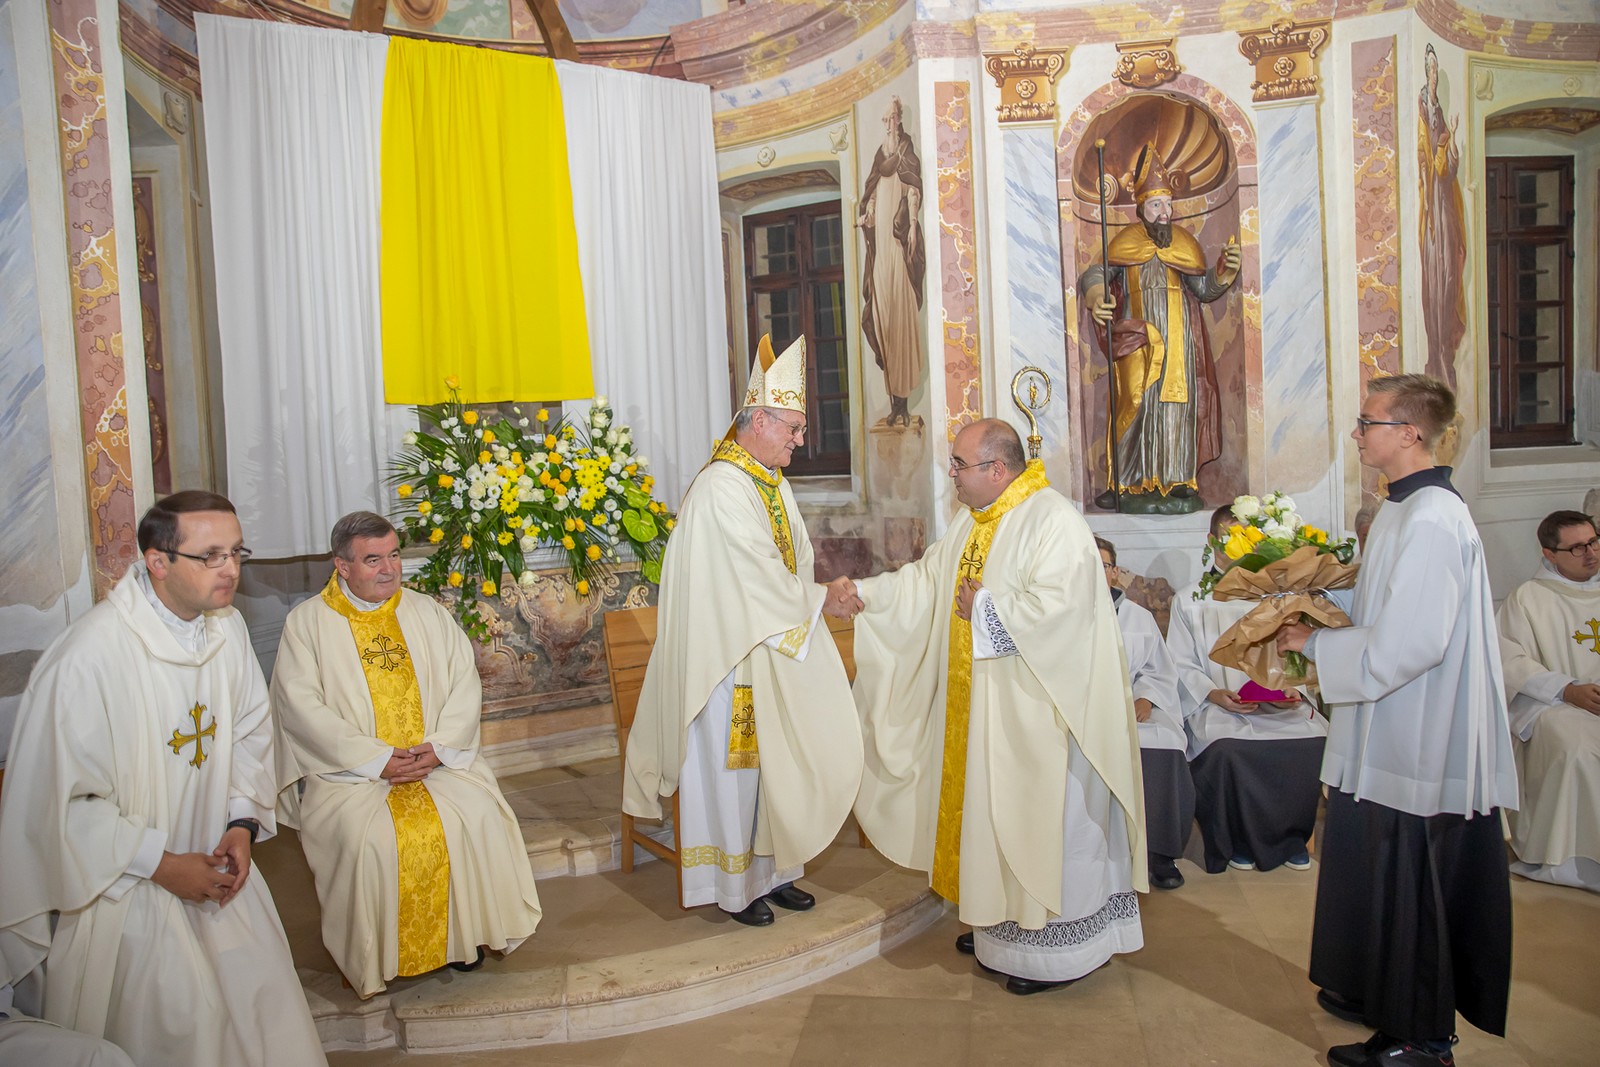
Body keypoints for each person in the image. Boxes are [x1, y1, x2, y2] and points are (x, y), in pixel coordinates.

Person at [0, 491, 327, 1067]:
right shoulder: (90, 657)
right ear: (158, 561)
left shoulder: (223, 633)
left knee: (265, 1010)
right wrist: (163, 864)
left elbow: (253, 733)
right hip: (129, 890)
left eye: (236, 552)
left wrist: (241, 822)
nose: (230, 569)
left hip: (221, 871)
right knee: (181, 1028)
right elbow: (62, 804)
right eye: (211, 556)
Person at [843, 419, 1145, 995]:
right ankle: (1001, 931)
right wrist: (867, 593)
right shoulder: (971, 523)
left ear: (997, 470)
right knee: (989, 818)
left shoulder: (1054, 521)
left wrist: (988, 608)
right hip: (983, 716)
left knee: (1043, 827)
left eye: (958, 464)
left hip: (1041, 721)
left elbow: (1065, 615)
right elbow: (924, 585)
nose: (950, 474)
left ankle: (1054, 955)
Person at [1279, 374, 1517, 1067]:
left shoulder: (1435, 518)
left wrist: (1317, 644)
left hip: (1419, 732)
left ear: (1410, 432)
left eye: (1368, 422)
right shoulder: (1399, 510)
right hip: (1387, 723)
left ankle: (1421, 1038)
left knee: (1411, 881)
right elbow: (1387, 616)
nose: (1358, 434)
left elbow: (1413, 642)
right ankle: (1378, 993)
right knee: (1378, 871)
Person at [622, 336, 864, 926]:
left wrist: (812, 593)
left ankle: (776, 874)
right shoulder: (721, 489)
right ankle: (736, 889)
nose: (799, 441)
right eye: (793, 429)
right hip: (728, 662)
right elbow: (750, 575)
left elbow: (794, 558)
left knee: (771, 768)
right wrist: (815, 600)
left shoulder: (769, 482)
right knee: (736, 771)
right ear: (759, 420)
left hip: (768, 650)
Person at [270, 511, 542, 998]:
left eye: (394, 555)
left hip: (435, 761)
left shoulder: (425, 611)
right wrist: (376, 759)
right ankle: (381, 956)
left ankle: (463, 939)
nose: (389, 569)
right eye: (372, 560)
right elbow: (301, 707)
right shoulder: (307, 624)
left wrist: (437, 748)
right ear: (342, 566)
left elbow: (464, 682)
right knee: (368, 840)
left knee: (476, 815)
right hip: (352, 775)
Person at [1081, 143, 1241, 514]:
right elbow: (1098, 273)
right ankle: (1127, 483)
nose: (1165, 212)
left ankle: (1178, 482)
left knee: (1177, 407)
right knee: (1135, 404)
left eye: (1168, 204)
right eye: (1157, 205)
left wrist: (1224, 272)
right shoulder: (1125, 242)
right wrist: (1096, 296)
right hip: (1138, 340)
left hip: (1179, 343)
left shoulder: (1184, 243)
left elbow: (1202, 289)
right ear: (1141, 209)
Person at [1166, 505, 1327, 874]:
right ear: (1212, 542)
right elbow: (1179, 663)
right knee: (1226, 750)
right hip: (1220, 707)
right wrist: (1212, 693)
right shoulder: (1190, 600)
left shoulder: (1277, 598)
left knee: (1313, 740)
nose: (1240, 550)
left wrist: (1294, 692)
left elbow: (1297, 653)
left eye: (1248, 540)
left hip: (1281, 706)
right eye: (1231, 540)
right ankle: (1236, 842)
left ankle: (1293, 839)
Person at [1497, 509, 1600, 891]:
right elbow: (1509, 661)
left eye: (1593, 542)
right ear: (1549, 554)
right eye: (1576, 548)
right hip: (1554, 704)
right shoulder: (1529, 598)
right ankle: (1572, 860)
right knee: (1578, 746)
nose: (1590, 553)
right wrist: (1567, 688)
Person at [1097, 536, 1193, 891]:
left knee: (1164, 742)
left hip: (1132, 708)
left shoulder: (1138, 617)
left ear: (1115, 572)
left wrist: (1147, 699)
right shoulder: (1062, 616)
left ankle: (1160, 853)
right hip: (1085, 714)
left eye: (1103, 565)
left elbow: (1158, 670)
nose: (1096, 571)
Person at [857, 95, 925, 428]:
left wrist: (912, 226)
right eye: (884, 120)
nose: (887, 125)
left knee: (899, 321)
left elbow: (913, 191)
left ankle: (903, 403)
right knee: (881, 318)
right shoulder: (879, 158)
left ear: (899, 121)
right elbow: (870, 196)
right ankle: (893, 401)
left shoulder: (906, 154)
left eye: (891, 119)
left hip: (897, 250)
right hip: (879, 253)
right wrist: (866, 217)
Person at [1418, 44, 1467, 386]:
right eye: (1430, 71)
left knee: (1450, 272)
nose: (1433, 76)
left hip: (1444, 209)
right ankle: (1438, 357)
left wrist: (1450, 143)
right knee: (1437, 279)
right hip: (1432, 211)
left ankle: (1445, 356)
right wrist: (1441, 147)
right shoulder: (1425, 120)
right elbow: (1429, 167)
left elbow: (1446, 171)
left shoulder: (1440, 123)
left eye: (1436, 71)